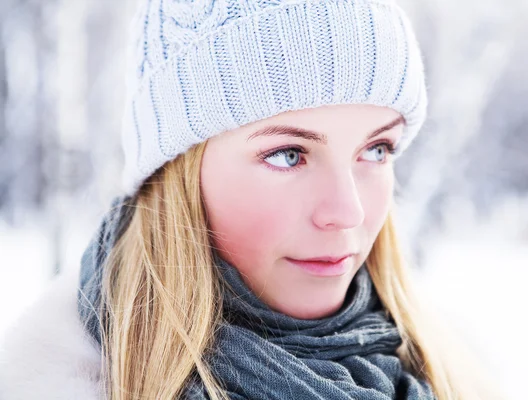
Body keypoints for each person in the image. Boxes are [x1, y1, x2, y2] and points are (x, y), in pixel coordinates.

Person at [0, 0, 501, 399]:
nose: (346, 212)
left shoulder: (455, 374)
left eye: (376, 149)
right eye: (287, 154)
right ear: (177, 170)